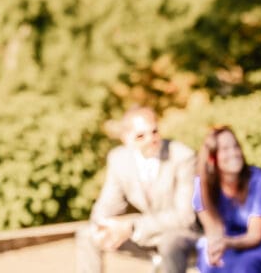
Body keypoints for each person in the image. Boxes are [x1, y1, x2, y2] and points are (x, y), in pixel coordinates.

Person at [76, 107, 199, 273]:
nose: (151, 139)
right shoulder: (119, 159)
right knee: (87, 235)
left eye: (154, 132)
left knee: (170, 242)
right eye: (141, 136)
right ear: (126, 138)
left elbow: (185, 216)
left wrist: (132, 226)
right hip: (144, 233)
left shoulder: (182, 156)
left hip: (181, 234)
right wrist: (102, 226)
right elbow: (108, 203)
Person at [192, 126, 261, 272]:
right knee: (209, 263)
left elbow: (255, 237)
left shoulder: (260, 182)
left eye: (235, 146)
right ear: (212, 158)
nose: (234, 153)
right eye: (225, 149)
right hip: (228, 245)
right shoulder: (202, 187)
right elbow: (214, 231)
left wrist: (226, 243)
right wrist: (216, 249)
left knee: (245, 266)